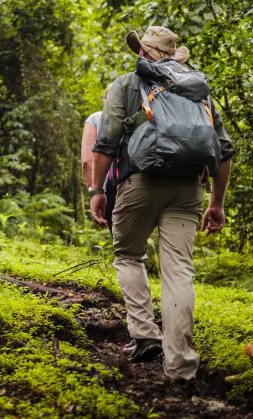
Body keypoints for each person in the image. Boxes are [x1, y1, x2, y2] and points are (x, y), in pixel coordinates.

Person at [89, 26, 235, 380]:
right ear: (174, 56)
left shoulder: (126, 85)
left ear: (142, 52)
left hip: (139, 182)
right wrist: (217, 203)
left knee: (128, 256)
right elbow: (224, 151)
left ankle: (144, 334)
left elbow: (106, 142)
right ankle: (181, 365)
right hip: (188, 188)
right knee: (179, 271)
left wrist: (97, 190)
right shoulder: (197, 89)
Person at [80, 91, 118, 230]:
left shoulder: (96, 118)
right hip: (143, 184)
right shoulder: (142, 117)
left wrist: (96, 192)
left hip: (112, 188)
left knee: (125, 246)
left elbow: (87, 163)